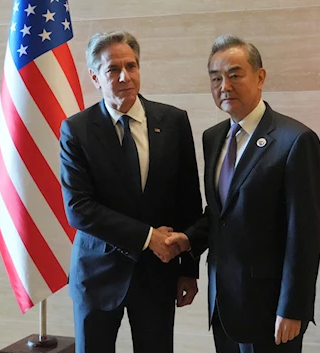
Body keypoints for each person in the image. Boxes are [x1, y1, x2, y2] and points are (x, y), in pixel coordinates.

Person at [165, 34, 320, 353]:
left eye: (235, 74)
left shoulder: (295, 140)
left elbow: (305, 234)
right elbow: (220, 216)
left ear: (260, 76)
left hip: (271, 308)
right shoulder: (214, 138)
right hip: (223, 303)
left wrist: (293, 308)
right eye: (216, 78)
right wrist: (189, 240)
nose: (225, 86)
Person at [59, 30, 202, 353]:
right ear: (95, 77)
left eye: (132, 66)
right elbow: (79, 208)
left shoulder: (174, 121)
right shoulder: (77, 130)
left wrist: (188, 270)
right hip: (97, 275)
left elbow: (188, 200)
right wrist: (149, 237)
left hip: (158, 275)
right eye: (113, 69)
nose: (125, 76)